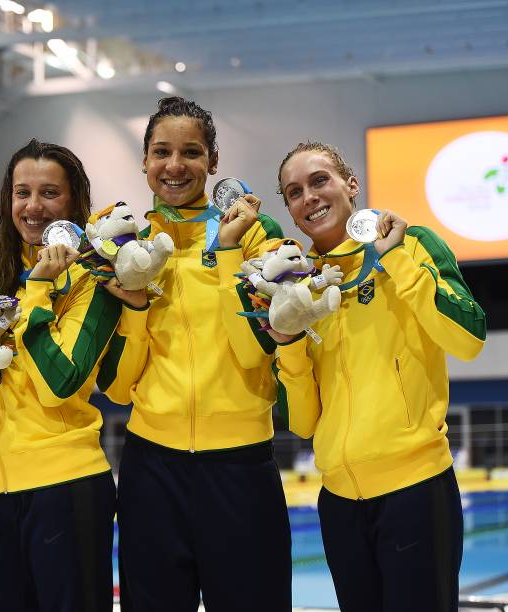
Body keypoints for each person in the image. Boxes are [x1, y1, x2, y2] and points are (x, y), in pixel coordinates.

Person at [271, 141, 486, 611]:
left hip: (415, 488)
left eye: (319, 180)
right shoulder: (297, 287)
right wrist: (287, 344)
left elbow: (469, 338)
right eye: (294, 192)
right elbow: (303, 422)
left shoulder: (412, 244)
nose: (308, 196)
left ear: (351, 184)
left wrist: (395, 262)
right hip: (339, 502)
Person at [98, 97, 292, 611]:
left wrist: (227, 249)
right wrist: (136, 307)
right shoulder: (126, 247)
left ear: (213, 161)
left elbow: (256, 355)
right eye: (161, 152)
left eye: (191, 152)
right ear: (144, 161)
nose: (175, 165)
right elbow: (117, 388)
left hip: (240, 468)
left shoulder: (255, 236)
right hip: (151, 471)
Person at [0, 139, 121, 612]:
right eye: (21, 192)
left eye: (49, 193)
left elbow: (61, 383)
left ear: (74, 203)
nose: (33, 207)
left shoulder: (96, 280)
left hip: (65, 488)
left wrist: (36, 293)